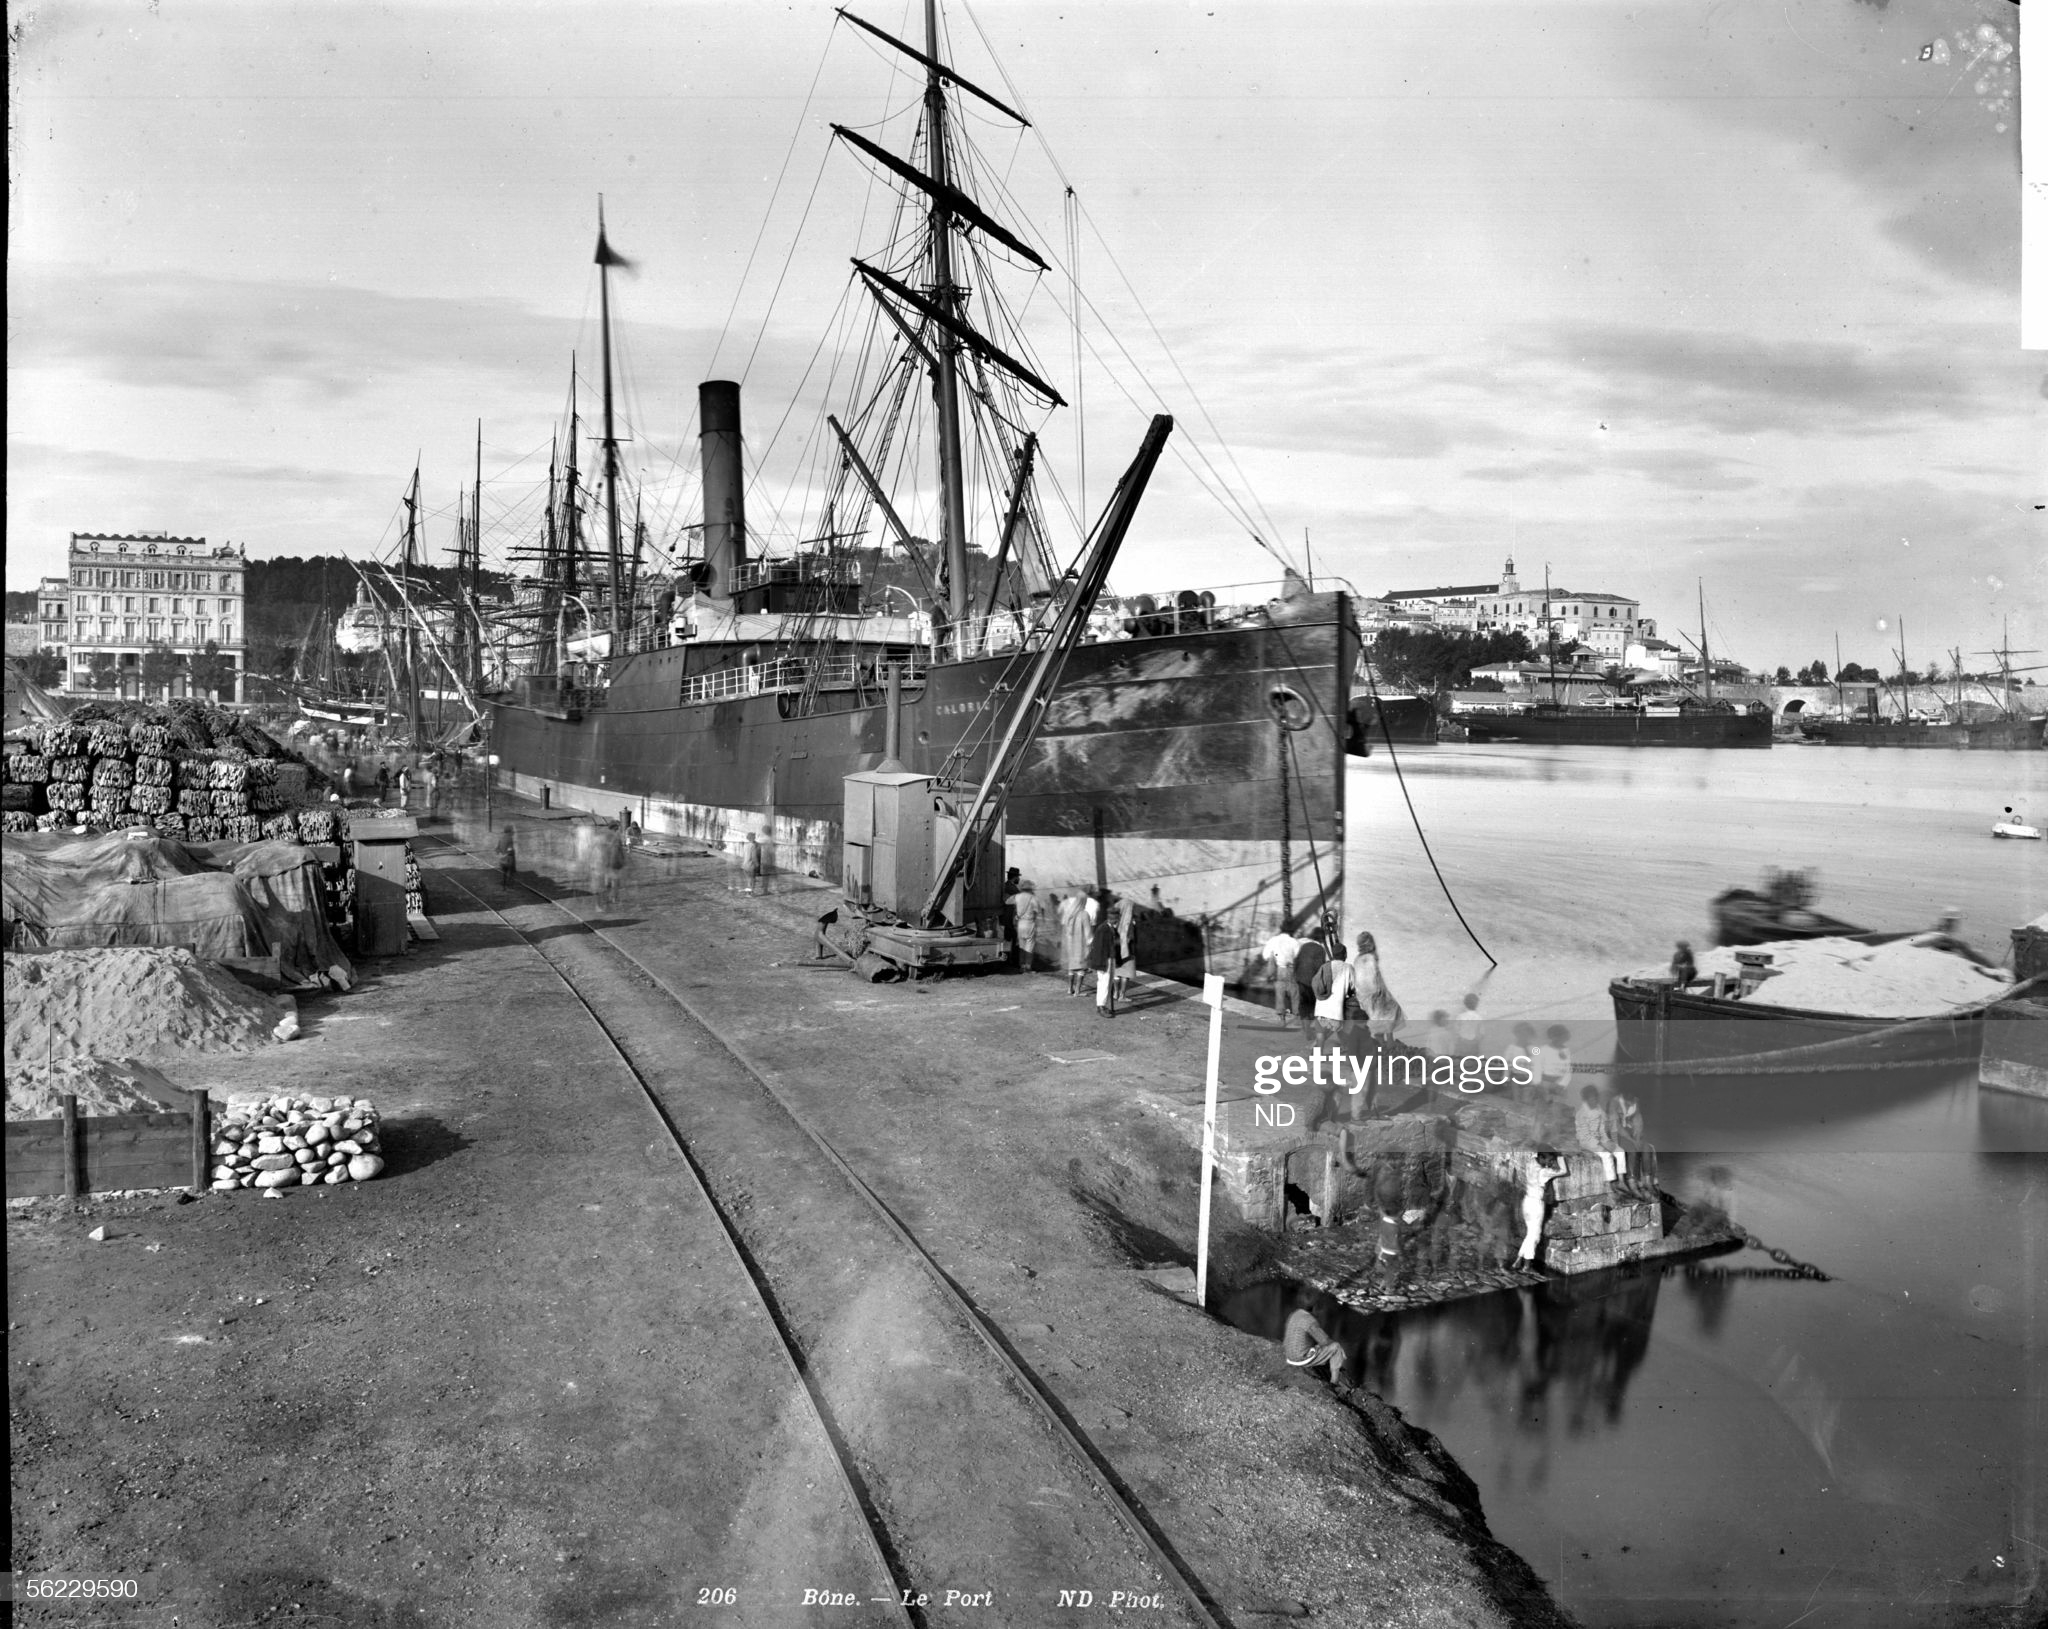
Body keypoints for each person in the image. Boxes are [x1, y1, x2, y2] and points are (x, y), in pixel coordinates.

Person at [1352, 932, 1405, 1042]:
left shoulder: (1357, 959)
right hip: (1375, 994)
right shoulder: (1371, 958)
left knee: (1378, 1023)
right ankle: (1389, 1047)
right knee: (1388, 1018)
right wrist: (1381, 992)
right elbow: (1374, 978)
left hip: (1364, 995)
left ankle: (1382, 1048)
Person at [1281, 1303, 1346, 1388]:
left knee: (1320, 1347)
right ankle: (1334, 1383)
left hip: (1289, 1357)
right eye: (1320, 1311)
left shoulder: (1295, 1314)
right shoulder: (1309, 1320)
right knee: (1336, 1347)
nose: (1320, 1314)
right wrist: (1340, 1349)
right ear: (1315, 1309)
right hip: (1300, 1358)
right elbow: (1324, 1340)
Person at [1516, 1150, 1563, 1267]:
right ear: (1542, 1157)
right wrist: (1560, 1157)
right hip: (1536, 1205)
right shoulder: (1543, 1172)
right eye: (1550, 1160)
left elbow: (1535, 1154)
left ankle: (1518, 1260)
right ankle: (1527, 1266)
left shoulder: (1531, 1162)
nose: (1551, 1162)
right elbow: (1563, 1170)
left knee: (1530, 1233)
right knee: (1535, 1235)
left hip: (1527, 1201)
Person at [1575, 1084, 1623, 1185]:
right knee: (1606, 1155)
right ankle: (1610, 1183)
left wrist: (1607, 1141)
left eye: (1596, 1099)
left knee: (1620, 1151)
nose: (1595, 1101)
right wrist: (1601, 1144)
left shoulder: (1598, 1110)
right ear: (1586, 1100)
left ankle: (1621, 1181)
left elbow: (1601, 1128)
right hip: (1587, 1142)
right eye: (1592, 1099)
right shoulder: (1581, 1114)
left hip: (1599, 1140)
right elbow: (1585, 1135)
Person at [1311, 937, 1355, 1039]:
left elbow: (1316, 983)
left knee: (1320, 1034)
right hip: (1336, 1012)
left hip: (1320, 1011)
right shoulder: (1348, 968)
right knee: (1337, 1033)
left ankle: (1317, 1051)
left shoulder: (1324, 967)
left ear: (1333, 954)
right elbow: (1354, 987)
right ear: (1345, 955)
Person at [1086, 892, 1119, 1016]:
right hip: (1105, 961)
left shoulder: (1109, 927)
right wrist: (1101, 964)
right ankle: (1101, 1007)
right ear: (1113, 918)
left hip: (1109, 959)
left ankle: (1102, 1005)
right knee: (1104, 984)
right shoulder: (1104, 929)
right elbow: (1099, 948)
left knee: (1107, 983)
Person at [1262, 926, 1303, 1021]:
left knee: (1280, 992)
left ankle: (1282, 1018)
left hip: (1278, 969)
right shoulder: (1294, 941)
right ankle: (1296, 1016)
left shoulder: (1273, 940)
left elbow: (1266, 955)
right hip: (1290, 968)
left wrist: (1276, 957)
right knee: (1294, 992)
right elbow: (1297, 955)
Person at [1292, 931, 1329, 1030]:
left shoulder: (1305, 946)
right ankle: (1308, 1026)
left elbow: (1296, 961)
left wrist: (1295, 975)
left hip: (1300, 979)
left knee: (1303, 1003)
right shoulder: (1320, 949)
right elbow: (1320, 967)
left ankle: (1305, 1027)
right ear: (1321, 939)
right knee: (1312, 1004)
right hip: (1312, 981)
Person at [1059, 890, 1091, 996]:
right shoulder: (1084, 914)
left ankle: (1069, 989)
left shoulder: (1069, 913)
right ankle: (1077, 991)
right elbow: (1088, 933)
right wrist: (1091, 944)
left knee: (1072, 967)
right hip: (1081, 945)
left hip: (1070, 944)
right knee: (1082, 967)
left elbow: (1064, 926)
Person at [1012, 883, 1043, 972]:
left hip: (1020, 923)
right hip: (1029, 923)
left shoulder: (1017, 897)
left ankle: (1021, 966)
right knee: (1029, 945)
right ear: (1030, 889)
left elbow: (1011, 905)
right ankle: (1028, 966)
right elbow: (1038, 911)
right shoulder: (1033, 898)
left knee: (1021, 945)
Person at [1113, 894, 1138, 1004]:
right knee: (1126, 972)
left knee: (1116, 971)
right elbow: (1131, 936)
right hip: (1127, 949)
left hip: (1115, 947)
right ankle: (1122, 995)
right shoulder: (1129, 923)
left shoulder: (1114, 920)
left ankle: (1115, 993)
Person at [741, 831, 762, 896]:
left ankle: (748, 893)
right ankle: (750, 893)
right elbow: (754, 857)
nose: (755, 838)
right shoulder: (753, 846)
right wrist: (757, 864)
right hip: (750, 865)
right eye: (754, 836)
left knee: (748, 880)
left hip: (744, 865)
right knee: (752, 880)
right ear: (752, 838)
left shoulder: (745, 845)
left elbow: (744, 856)